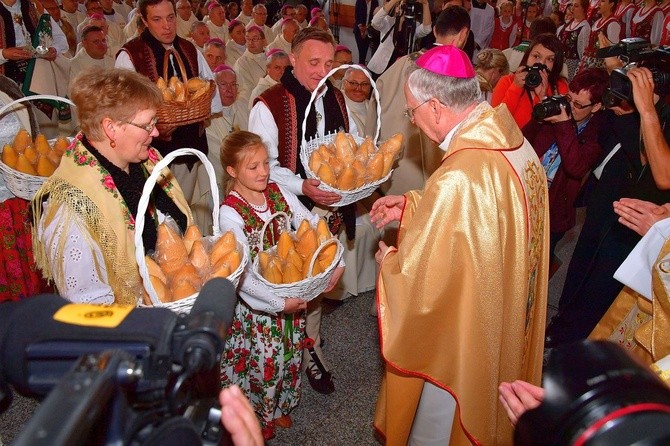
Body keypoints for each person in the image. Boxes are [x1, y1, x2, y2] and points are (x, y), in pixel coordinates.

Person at [370, 44, 549, 446]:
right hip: (507, 305)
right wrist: (415, 206)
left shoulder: (462, 174)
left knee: (438, 425)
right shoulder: (510, 139)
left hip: (466, 331)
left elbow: (426, 284)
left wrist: (391, 263)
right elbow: (478, 226)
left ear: (436, 108)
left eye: (411, 111)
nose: (412, 121)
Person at [249, 27, 359, 395]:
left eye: (328, 63)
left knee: (318, 283)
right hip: (287, 211)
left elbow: (353, 145)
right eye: (313, 62)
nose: (321, 71)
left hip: (329, 209)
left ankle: (309, 344)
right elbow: (263, 166)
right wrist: (302, 186)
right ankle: (288, 350)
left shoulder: (338, 100)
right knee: (291, 278)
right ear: (291, 60)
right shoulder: (268, 103)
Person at [218, 130, 344, 441]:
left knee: (290, 351)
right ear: (232, 171)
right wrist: (276, 304)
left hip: (291, 290)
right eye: (253, 167)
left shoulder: (276, 191)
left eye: (264, 164)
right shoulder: (229, 213)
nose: (263, 172)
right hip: (258, 307)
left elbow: (310, 222)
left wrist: (336, 259)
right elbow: (243, 274)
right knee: (264, 359)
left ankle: (280, 404)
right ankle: (259, 412)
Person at [31, 67, 193, 305]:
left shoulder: (149, 160)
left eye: (155, 122)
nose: (156, 132)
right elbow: (88, 304)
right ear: (111, 128)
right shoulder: (72, 204)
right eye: (147, 125)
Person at [544, 67, 670, 349]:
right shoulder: (613, 115)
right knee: (581, 267)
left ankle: (574, 341)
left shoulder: (649, 115)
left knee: (601, 283)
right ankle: (562, 325)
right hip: (604, 203)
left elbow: (655, 169)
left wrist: (645, 110)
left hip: (634, 216)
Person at [116, 0, 222, 234]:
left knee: (195, 215)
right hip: (156, 158)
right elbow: (123, 111)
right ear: (143, 21)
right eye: (157, 19)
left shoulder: (189, 49)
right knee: (167, 222)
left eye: (171, 17)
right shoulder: (130, 55)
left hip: (194, 148)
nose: (167, 26)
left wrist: (200, 113)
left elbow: (210, 91)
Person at [366, 5, 472, 197]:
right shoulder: (458, 78)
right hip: (430, 179)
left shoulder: (401, 63)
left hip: (390, 170)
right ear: (464, 35)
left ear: (434, 30)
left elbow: (375, 101)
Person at [523, 67, 606, 267]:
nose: (570, 107)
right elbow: (522, 140)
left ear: (596, 107)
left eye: (578, 104)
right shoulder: (559, 110)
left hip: (553, 214)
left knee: (535, 266)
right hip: (524, 198)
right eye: (568, 99)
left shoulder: (598, 134)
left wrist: (564, 124)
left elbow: (575, 167)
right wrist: (540, 114)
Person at [492, 33, 569, 129]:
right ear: (527, 57)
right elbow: (496, 122)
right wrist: (515, 88)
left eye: (550, 59)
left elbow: (558, 131)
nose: (541, 63)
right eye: (536, 56)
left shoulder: (559, 87)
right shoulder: (507, 82)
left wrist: (543, 99)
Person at [205, 64, 249, 195]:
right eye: (223, 85)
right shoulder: (207, 115)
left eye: (233, 84)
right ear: (214, 88)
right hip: (223, 181)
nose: (230, 90)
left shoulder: (243, 107)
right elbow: (217, 154)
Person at [367, 0, 432, 77]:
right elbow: (375, 22)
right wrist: (394, 1)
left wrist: (425, 4)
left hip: (401, 69)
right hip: (382, 67)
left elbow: (427, 29)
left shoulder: (413, 26)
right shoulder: (388, 21)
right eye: (402, 5)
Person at [578, 0, 621, 72]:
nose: (599, 4)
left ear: (611, 4)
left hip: (600, 65)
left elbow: (612, 51)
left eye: (603, 1)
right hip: (588, 61)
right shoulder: (597, 22)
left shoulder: (612, 24)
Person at [233, 25, 267, 105]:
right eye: (248, 39)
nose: (251, 42)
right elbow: (247, 91)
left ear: (263, 41)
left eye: (255, 39)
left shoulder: (271, 58)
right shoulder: (242, 63)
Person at [557, 0, 591, 79]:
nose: (572, 9)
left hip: (572, 66)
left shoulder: (584, 28)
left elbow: (583, 54)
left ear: (583, 9)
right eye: (571, 5)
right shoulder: (568, 24)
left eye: (576, 6)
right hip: (560, 63)